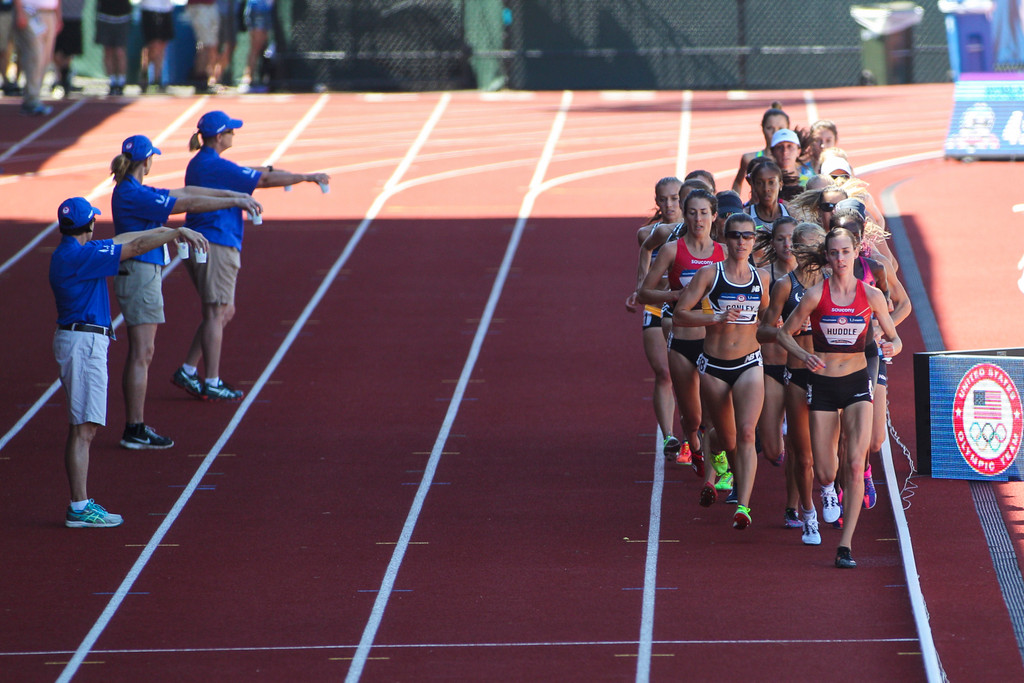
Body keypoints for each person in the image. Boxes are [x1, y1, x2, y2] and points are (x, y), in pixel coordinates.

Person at [50, 197, 209, 528]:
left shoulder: (69, 252)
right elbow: (134, 245)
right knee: (83, 428)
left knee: (83, 426)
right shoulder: (83, 256)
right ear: (88, 225)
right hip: (84, 344)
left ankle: (80, 503)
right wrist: (174, 232)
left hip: (81, 339)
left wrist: (168, 230)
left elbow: (121, 241)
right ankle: (79, 507)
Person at [112, 134, 262, 447]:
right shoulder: (132, 193)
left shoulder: (133, 190)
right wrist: (234, 199)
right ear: (146, 161)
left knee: (145, 352)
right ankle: (134, 428)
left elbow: (187, 192)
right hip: (139, 272)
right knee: (142, 353)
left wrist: (233, 196)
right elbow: (188, 202)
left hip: (144, 270)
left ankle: (136, 426)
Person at [173, 110, 330, 401]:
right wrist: (306, 177)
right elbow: (262, 180)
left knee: (222, 311)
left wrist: (275, 171)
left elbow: (250, 171)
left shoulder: (204, 163)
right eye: (231, 131)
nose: (234, 134)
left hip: (212, 239)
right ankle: (212, 379)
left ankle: (188, 369)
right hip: (216, 241)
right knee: (215, 311)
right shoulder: (213, 166)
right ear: (219, 137)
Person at [777, 226, 903, 568]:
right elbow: (783, 333)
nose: (840, 258)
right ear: (827, 258)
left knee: (854, 461)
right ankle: (826, 492)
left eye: (845, 252)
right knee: (825, 471)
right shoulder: (815, 295)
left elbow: (895, 337)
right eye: (834, 253)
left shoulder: (871, 295)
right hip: (822, 388)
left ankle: (845, 544)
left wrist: (892, 344)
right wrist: (803, 356)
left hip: (857, 385)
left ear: (854, 252)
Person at [672, 213, 769, 528]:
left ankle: (744, 506)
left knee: (746, 433)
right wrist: (712, 318)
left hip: (749, 364)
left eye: (747, 236)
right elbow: (680, 315)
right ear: (725, 239)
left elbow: (767, 317)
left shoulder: (762, 279)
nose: (741, 242)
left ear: (754, 240)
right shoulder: (709, 275)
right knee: (726, 437)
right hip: (713, 367)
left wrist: (774, 325)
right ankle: (717, 456)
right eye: (735, 236)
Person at [637, 189, 725, 474]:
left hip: (714, 341)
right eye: (692, 213)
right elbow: (644, 294)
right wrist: (676, 296)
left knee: (714, 414)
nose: (698, 219)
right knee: (692, 417)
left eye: (704, 213)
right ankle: (695, 447)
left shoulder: (724, 253)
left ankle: (716, 472)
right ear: (684, 216)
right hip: (683, 338)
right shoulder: (673, 250)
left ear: (714, 216)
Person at [758, 221, 826, 544]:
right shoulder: (785, 285)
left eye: (818, 246)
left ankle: (830, 491)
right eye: (807, 247)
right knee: (803, 454)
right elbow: (763, 331)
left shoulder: (834, 281)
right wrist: (788, 333)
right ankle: (803, 511)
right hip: (796, 373)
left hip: (830, 374)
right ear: (798, 251)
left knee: (829, 452)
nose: (813, 252)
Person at [625, 177, 682, 459]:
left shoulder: (697, 230)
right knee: (664, 372)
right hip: (658, 307)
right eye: (664, 199)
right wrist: (638, 292)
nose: (670, 204)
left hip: (687, 308)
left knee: (690, 377)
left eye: (675, 198)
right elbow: (644, 262)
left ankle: (693, 435)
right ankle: (669, 436)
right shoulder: (648, 232)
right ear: (657, 202)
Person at [12, 0, 60, 116]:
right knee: (35, 56)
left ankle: (35, 96)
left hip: (49, 13)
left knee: (45, 57)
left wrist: (58, 14)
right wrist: (19, 12)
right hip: (30, 12)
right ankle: (31, 100)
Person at [730, 102, 789, 194]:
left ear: (788, 129)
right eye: (770, 128)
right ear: (762, 128)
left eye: (780, 129)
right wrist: (734, 205)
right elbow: (738, 183)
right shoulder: (749, 159)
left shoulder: (795, 159)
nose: (775, 133)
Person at [95, 0, 130, 95]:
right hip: (105, 15)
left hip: (122, 16)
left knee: (120, 51)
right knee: (108, 50)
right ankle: (112, 81)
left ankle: (121, 81)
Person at [139, 0, 174, 92]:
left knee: (162, 45)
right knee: (153, 46)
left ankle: (157, 79)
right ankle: (144, 73)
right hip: (150, 8)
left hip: (166, 9)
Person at [241, 0, 274, 92]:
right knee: (256, 46)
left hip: (266, 9)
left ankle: (254, 78)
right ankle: (248, 78)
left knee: (261, 47)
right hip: (258, 8)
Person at [187, 0, 219, 92]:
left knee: (210, 45)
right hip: (200, 7)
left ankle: (206, 77)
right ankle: (200, 78)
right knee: (205, 44)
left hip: (210, 5)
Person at [52, 0, 82, 95]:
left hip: (75, 17)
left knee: (69, 51)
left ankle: (65, 78)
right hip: (57, 17)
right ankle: (59, 77)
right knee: (56, 51)